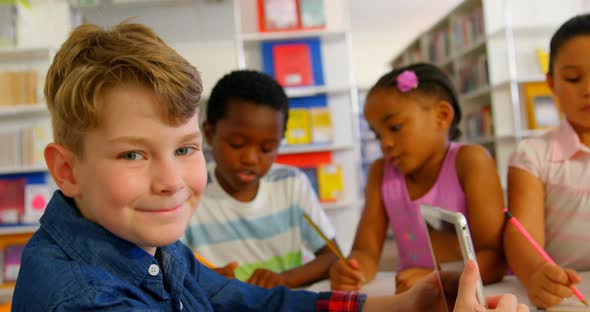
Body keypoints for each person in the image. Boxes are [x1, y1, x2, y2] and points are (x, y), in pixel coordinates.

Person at [11, 21, 527, 312]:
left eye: (186, 149)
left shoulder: (152, 247)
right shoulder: (84, 299)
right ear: (68, 170)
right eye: (132, 154)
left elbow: (258, 306)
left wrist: (408, 306)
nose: (171, 181)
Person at [330, 63, 506, 293]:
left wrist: (439, 278)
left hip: (474, 296)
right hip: (415, 298)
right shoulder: (380, 172)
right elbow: (366, 251)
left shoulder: (471, 161)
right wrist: (352, 270)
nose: (385, 143)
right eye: (377, 135)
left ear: (442, 116)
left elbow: (495, 258)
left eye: (395, 127)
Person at [181, 69, 340, 289]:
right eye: (236, 144)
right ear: (209, 133)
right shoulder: (188, 192)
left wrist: (284, 280)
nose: (250, 159)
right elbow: (169, 268)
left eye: (267, 149)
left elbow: (333, 256)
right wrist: (208, 280)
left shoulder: (291, 184)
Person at [504, 13, 590, 309]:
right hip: (567, 296)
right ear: (551, 83)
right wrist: (536, 274)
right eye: (574, 78)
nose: (588, 89)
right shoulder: (532, 155)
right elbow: (520, 235)